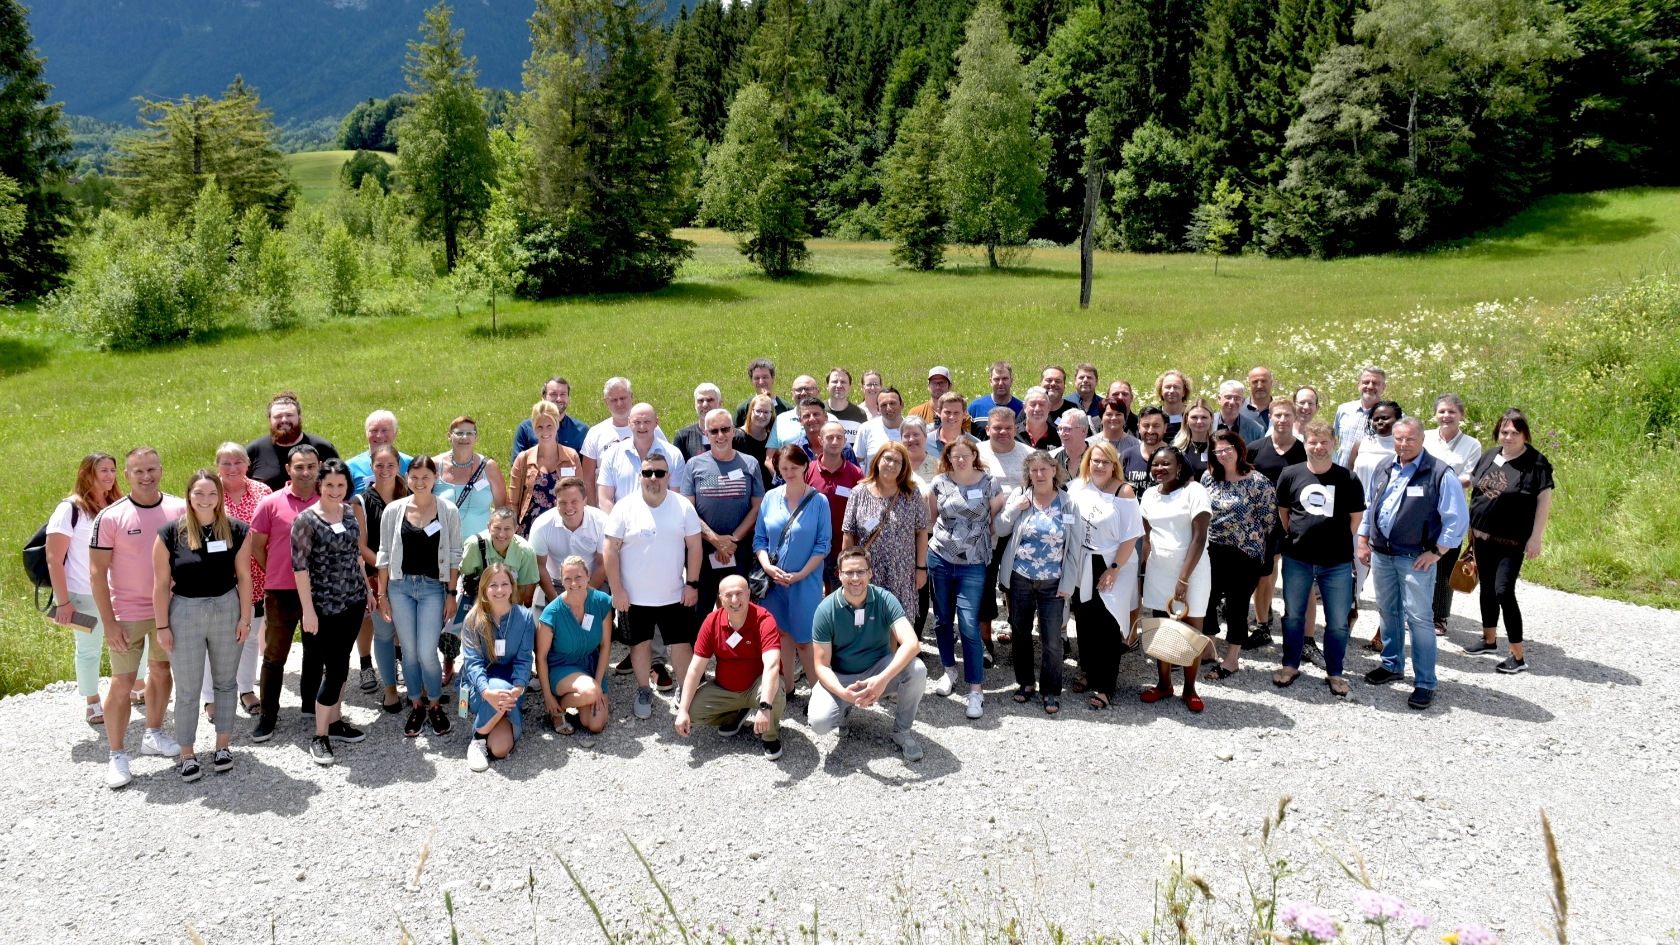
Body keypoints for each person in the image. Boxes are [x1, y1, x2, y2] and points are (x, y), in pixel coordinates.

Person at [89, 447, 186, 787]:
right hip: (127, 614)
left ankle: (154, 734)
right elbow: (97, 574)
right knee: (123, 683)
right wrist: (109, 622)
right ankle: (117, 755)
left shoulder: (178, 508)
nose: (146, 476)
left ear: (161, 469)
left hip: (169, 609)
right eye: (138, 471)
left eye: (152, 469)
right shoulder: (111, 517)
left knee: (161, 671)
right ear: (126, 475)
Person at [1358, 416, 1469, 710]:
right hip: (1382, 554)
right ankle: (1392, 665)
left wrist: (1437, 551)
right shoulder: (1385, 466)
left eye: (1410, 439)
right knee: (1387, 610)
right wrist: (1362, 539)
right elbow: (1370, 506)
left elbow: (1456, 519)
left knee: (1419, 619)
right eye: (1399, 439)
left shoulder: (1439, 473)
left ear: (1422, 440)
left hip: (1415, 558)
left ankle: (1425, 682)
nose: (1404, 445)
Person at [152, 469, 254, 781]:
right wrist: (161, 627)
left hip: (226, 608)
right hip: (185, 612)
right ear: (189, 496)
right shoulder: (170, 533)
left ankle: (223, 746)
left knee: (225, 683)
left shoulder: (236, 529)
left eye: (212, 493)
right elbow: (159, 585)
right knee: (187, 688)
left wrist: (245, 619)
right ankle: (187, 753)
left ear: (220, 497)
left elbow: (245, 577)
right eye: (199, 493)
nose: (206, 499)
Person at [604, 450, 703, 718]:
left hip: (675, 594)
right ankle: (643, 689)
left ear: (669, 476)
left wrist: (692, 584)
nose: (653, 478)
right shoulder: (624, 507)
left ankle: (684, 689)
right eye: (648, 473)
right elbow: (610, 550)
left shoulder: (683, 506)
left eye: (659, 473)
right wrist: (617, 590)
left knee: (682, 644)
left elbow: (694, 547)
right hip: (634, 597)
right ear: (640, 476)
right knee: (640, 645)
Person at [807, 549, 928, 761]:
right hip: (842, 676)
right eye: (849, 573)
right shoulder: (825, 610)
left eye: (861, 572)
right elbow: (821, 666)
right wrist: (844, 694)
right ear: (840, 574)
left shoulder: (885, 599)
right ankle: (842, 711)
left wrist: (882, 679)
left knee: (917, 669)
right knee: (819, 723)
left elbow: (911, 643)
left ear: (870, 573)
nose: (855, 578)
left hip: (878, 668)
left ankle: (903, 731)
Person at [1272, 420, 1365, 694]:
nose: (1318, 447)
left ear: (1333, 444)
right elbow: (1284, 513)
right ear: (1305, 443)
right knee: (1293, 616)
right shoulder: (1290, 474)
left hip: (1335, 562)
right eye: (1313, 442)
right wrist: (1302, 537)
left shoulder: (1348, 478)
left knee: (1337, 621)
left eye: (1324, 442)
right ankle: (1290, 664)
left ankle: (1335, 672)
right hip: (1297, 558)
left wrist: (1331, 542)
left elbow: (1355, 519)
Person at [377, 455, 464, 738]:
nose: (419, 482)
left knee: (427, 652)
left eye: (426, 477)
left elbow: (454, 556)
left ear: (435, 477)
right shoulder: (394, 510)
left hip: (432, 589)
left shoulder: (447, 510)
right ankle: (416, 702)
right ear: (408, 477)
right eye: (414, 477)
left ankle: (435, 704)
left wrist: (451, 593)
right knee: (410, 652)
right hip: (400, 587)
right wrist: (382, 594)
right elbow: (385, 555)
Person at [291, 458, 370, 765]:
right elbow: (300, 569)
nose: (336, 491)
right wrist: (308, 611)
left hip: (353, 601)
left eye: (341, 485)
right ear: (319, 485)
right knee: (335, 670)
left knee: (342, 662)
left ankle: (335, 724)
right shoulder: (306, 521)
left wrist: (367, 589)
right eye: (330, 485)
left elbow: (356, 556)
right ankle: (319, 736)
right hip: (325, 607)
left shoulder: (349, 513)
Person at [995, 450, 1086, 715]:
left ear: (1054, 471)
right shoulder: (1020, 497)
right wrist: (1015, 509)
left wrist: (1068, 582)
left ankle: (1050, 690)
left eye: (1044, 469)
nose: (1039, 474)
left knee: (1052, 639)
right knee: (1020, 633)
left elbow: (1074, 548)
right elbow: (1000, 529)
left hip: (1053, 582)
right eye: (1033, 470)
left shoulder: (1068, 503)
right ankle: (1025, 683)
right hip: (1021, 578)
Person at [1465, 408, 1553, 674]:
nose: (1509, 436)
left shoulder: (1537, 463)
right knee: (1487, 589)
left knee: (1503, 591)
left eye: (1515, 432)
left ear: (1524, 434)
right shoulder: (1490, 455)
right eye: (1504, 431)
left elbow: (1543, 503)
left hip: (1511, 540)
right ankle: (1489, 639)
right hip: (1481, 535)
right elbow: (1477, 490)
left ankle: (1517, 656)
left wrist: (1536, 538)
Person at [46, 452, 127, 726]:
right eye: (102, 470)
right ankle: (92, 701)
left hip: (119, 590)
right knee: (89, 649)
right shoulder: (69, 509)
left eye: (112, 470)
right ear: (85, 473)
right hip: (82, 592)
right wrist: (63, 602)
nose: (109, 475)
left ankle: (137, 687)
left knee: (131, 640)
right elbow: (54, 559)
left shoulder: (118, 504)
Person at [926, 437, 1004, 716]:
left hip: (973, 563)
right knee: (942, 619)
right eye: (954, 455)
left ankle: (975, 690)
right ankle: (949, 670)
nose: (960, 460)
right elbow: (931, 518)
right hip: (940, 558)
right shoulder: (939, 483)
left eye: (965, 455)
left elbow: (995, 522)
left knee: (969, 623)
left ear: (974, 455)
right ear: (948, 457)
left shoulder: (990, 483)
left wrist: (972, 543)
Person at [249, 445, 321, 742]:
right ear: (289, 470)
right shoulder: (270, 503)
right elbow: (258, 546)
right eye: (299, 466)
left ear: (319, 469)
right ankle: (268, 715)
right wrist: (278, 572)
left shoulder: (326, 501)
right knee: (275, 655)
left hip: (318, 592)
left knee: (315, 653)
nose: (306, 472)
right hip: (280, 591)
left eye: (311, 466)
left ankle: (309, 705)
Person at [675, 575, 787, 760]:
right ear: (720, 597)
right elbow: (695, 669)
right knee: (692, 712)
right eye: (728, 595)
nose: (734, 600)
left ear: (749, 594)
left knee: (773, 693)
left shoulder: (764, 619)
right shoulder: (712, 621)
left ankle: (770, 735)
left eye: (739, 594)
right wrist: (682, 710)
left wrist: (765, 707)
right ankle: (736, 713)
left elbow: (772, 665)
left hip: (758, 687)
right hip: (726, 688)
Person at [1066, 442, 1142, 708]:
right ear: (1087, 461)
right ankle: (1090, 672)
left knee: (1108, 625)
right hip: (1083, 560)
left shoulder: (1124, 491)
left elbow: (1132, 535)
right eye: (1095, 460)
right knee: (1085, 622)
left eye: (1105, 462)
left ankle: (1106, 686)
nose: (1099, 466)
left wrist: (1114, 570)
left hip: (1113, 563)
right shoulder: (1078, 487)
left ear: (1114, 465)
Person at [753, 446, 832, 697]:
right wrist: (768, 567)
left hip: (805, 582)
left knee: (805, 640)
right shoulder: (770, 497)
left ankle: (819, 695)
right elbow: (759, 540)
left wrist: (799, 575)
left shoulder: (819, 501)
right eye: (783, 468)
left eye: (794, 468)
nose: (788, 473)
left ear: (804, 467)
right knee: (780, 634)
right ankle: (786, 688)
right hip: (773, 583)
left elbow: (823, 545)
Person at [1138, 447, 1211, 712]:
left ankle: (1190, 689)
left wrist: (1183, 579)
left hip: (1192, 572)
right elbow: (1146, 537)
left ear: (1179, 465)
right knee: (1162, 629)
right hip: (1159, 570)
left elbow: (1199, 537)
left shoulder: (1195, 492)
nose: (1159, 469)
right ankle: (1164, 684)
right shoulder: (1148, 495)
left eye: (1166, 464)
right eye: (1155, 465)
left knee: (1191, 631)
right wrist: (1142, 571)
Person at [1201, 431, 1277, 681]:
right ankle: (1209, 649)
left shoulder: (1258, 482)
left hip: (1245, 555)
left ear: (1239, 449)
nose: (1223, 454)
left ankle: (1232, 658)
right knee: (1207, 600)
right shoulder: (1208, 479)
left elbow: (1269, 521)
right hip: (1212, 551)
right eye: (1218, 451)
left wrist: (1259, 551)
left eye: (1227, 449)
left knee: (1236, 606)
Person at [206, 444, 271, 719]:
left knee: (252, 635)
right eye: (225, 463)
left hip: (256, 576)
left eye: (238, 462)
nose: (232, 468)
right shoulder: (209, 491)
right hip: (217, 578)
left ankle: (245, 689)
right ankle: (210, 698)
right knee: (214, 640)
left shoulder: (262, 491)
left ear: (247, 464)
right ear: (217, 465)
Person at [679, 408, 765, 614]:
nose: (720, 435)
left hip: (740, 548)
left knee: (739, 604)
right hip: (703, 548)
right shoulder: (694, 465)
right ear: (706, 434)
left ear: (733, 431)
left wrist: (731, 541)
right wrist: (716, 541)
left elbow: (757, 507)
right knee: (702, 607)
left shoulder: (749, 463)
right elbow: (687, 510)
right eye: (714, 431)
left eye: (725, 429)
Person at [841, 442, 930, 622]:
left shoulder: (911, 494)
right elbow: (848, 533)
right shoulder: (859, 492)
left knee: (897, 623)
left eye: (898, 462)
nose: (891, 465)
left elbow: (921, 532)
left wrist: (921, 568)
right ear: (878, 460)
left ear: (904, 467)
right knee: (866, 621)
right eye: (888, 459)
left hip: (901, 571)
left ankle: (895, 651)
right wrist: (846, 568)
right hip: (867, 570)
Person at [459, 563, 536, 771]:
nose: (499, 590)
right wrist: (486, 691)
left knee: (500, 749)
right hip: (480, 687)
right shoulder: (473, 619)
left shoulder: (525, 617)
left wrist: (519, 687)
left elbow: (524, 659)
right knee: (496, 687)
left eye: (504, 584)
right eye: (493, 585)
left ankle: (484, 733)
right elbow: (473, 663)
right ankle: (477, 741)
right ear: (484, 589)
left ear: (512, 587)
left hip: (510, 691)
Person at [353, 444, 409, 713]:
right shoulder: (360, 501)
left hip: (412, 577)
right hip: (380, 579)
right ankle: (389, 690)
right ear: (371, 467)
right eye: (379, 465)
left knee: (411, 635)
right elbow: (361, 545)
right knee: (385, 634)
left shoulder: (411, 495)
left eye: (390, 465)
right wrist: (387, 567)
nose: (385, 470)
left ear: (399, 466)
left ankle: (416, 686)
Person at [1246, 400, 1307, 647]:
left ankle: (1298, 629)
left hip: (1294, 521)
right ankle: (1262, 625)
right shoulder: (1255, 449)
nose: (1282, 419)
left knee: (1292, 577)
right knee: (1265, 576)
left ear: (1295, 419)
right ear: (1270, 417)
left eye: (1287, 415)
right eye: (1278, 415)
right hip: (1260, 523)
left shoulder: (1304, 450)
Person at [1424, 393, 1484, 635]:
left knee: (1445, 561)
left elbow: (1469, 478)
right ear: (1435, 414)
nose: (1446, 416)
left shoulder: (1472, 444)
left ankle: (1439, 616)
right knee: (1421, 560)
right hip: (1423, 509)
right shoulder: (1425, 437)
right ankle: (1419, 612)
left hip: (1452, 511)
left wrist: (1438, 482)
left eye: (1451, 412)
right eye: (1442, 411)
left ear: (1462, 415)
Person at [537, 556, 614, 735]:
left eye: (578, 577)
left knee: (594, 724)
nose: (573, 583)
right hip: (561, 667)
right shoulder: (552, 612)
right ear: (561, 582)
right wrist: (547, 697)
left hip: (591, 665)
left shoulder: (601, 602)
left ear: (588, 576)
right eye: (567, 579)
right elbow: (540, 657)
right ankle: (558, 708)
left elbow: (605, 645)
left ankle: (578, 697)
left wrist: (598, 681)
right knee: (591, 692)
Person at [1347, 400, 1402, 646]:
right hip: (1357, 515)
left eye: (1386, 418)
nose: (1380, 422)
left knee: (1384, 578)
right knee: (1353, 574)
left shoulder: (1402, 447)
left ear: (1398, 420)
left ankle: (1383, 631)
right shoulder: (1361, 444)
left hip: (1387, 519)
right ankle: (1349, 616)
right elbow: (1348, 477)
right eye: (1376, 418)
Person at [581, 377, 666, 506]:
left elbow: (667, 462)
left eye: (623, 398)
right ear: (606, 402)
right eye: (613, 400)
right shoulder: (595, 433)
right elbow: (587, 477)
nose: (619, 403)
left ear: (631, 396)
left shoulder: (652, 429)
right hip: (609, 507)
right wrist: (593, 511)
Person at [529, 477, 609, 601]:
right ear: (556, 503)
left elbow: (603, 565)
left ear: (585, 501)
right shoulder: (542, 526)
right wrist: (556, 602)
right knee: (541, 619)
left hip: (592, 581)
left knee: (602, 614)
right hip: (554, 583)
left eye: (574, 501)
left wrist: (584, 597)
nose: (569, 507)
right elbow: (540, 566)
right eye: (563, 502)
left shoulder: (602, 522)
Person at [597, 402, 686, 511]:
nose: (642, 426)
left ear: (656, 422)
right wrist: (618, 525)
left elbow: (676, 498)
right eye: (637, 422)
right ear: (629, 422)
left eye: (647, 422)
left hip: (661, 524)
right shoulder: (612, 454)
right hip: (622, 524)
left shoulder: (673, 455)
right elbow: (605, 499)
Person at [806, 421, 863, 591]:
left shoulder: (855, 473)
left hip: (842, 548)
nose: (834, 442)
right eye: (829, 437)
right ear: (820, 441)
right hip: (813, 547)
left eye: (839, 437)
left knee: (841, 595)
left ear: (845, 441)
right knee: (814, 596)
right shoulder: (808, 471)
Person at [511, 401, 584, 535]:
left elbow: (580, 495)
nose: (545, 431)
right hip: (530, 529)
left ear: (557, 425)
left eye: (549, 426)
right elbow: (513, 502)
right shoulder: (523, 459)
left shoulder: (571, 456)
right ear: (534, 428)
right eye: (540, 427)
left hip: (564, 527)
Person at [434, 415, 507, 544]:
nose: (464, 437)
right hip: (442, 544)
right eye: (459, 433)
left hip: (481, 546)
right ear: (449, 436)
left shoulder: (489, 467)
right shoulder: (434, 465)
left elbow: (501, 509)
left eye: (469, 433)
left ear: (475, 437)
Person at [245, 391, 338, 491]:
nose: (284, 420)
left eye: (289, 415)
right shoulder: (253, 451)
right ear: (269, 421)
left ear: (300, 418)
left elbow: (341, 484)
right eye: (278, 416)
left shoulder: (323, 448)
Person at [458, 507, 541, 608]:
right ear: (488, 526)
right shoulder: (474, 545)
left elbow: (522, 589)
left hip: (509, 601)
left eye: (507, 529)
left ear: (516, 529)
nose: (501, 534)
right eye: (497, 528)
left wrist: (508, 617)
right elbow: (466, 575)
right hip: (478, 601)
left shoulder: (525, 552)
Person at [512, 376, 590, 463]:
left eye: (563, 394)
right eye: (553, 394)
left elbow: (587, 471)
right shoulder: (526, 428)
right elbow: (517, 468)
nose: (559, 399)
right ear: (544, 397)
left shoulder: (582, 430)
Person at [346, 409, 412, 497]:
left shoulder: (410, 464)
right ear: (366, 434)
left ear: (395, 433)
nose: (379, 435)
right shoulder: (350, 467)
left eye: (385, 430)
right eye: (374, 430)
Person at [1335, 366, 1388, 465]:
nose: (1370, 386)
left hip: (1372, 477)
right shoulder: (1343, 410)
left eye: (1376, 383)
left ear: (1383, 387)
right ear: (1359, 385)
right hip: (1342, 476)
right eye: (1366, 382)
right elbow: (1339, 441)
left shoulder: (1394, 416)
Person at [673, 383, 735, 460]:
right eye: (700, 400)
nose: (705, 405)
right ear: (695, 404)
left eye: (710, 400)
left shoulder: (734, 436)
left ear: (720, 404)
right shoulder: (683, 437)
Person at [766, 376, 828, 448]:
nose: (803, 393)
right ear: (792, 394)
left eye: (808, 389)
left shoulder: (832, 420)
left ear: (818, 392)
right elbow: (770, 455)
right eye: (799, 390)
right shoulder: (781, 420)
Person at [733, 357, 794, 428]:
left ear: (773, 378)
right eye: (757, 378)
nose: (761, 382)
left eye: (765, 377)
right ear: (751, 381)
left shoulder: (787, 409)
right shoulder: (743, 409)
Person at [854, 386, 906, 464]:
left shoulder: (912, 429)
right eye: (884, 405)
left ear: (902, 405)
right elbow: (858, 460)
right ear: (878, 409)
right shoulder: (866, 429)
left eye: (892, 403)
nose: (889, 408)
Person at [928, 392, 980, 467]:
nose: (952, 417)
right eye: (947, 412)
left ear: (965, 414)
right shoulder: (924, 443)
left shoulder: (976, 444)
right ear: (939, 412)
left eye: (956, 413)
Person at [740, 393, 777, 488]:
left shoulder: (773, 439)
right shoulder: (737, 437)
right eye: (758, 411)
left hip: (768, 493)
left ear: (771, 414)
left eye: (766, 412)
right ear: (750, 412)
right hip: (745, 493)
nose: (761, 415)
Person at [1173, 399, 1217, 477]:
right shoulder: (1176, 447)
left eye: (1204, 417)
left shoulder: (1218, 446)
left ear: (1212, 418)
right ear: (1186, 418)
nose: (1199, 421)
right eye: (1194, 417)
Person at [824, 367, 868, 443]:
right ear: (827, 386)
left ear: (850, 387)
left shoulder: (860, 414)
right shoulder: (819, 410)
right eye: (834, 381)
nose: (839, 385)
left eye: (843, 382)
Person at [1049, 408, 1089, 479]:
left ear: (1083, 430)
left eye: (1067, 429)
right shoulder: (1056, 460)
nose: (1061, 433)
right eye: (1059, 429)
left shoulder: (1095, 458)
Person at [901, 416, 939, 485]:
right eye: (907, 436)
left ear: (925, 436)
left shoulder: (938, 466)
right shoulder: (896, 465)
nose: (911, 439)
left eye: (916, 434)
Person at [1154, 370, 1192, 440]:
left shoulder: (1192, 416)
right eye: (1167, 387)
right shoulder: (1154, 417)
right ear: (1161, 391)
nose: (1171, 391)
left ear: (1184, 392)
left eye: (1176, 387)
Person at [1241, 367, 1276, 433]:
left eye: (1264, 381)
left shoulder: (1281, 410)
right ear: (1249, 384)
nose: (1260, 386)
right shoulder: (1239, 409)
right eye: (1255, 382)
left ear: (1271, 383)